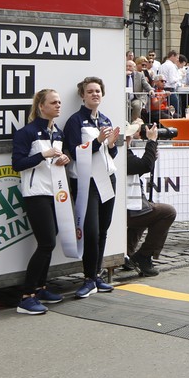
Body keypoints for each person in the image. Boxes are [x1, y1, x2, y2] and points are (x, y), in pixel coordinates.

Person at [11, 89, 72, 315]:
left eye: (59, 102)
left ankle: (40, 288)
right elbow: (17, 164)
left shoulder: (58, 132)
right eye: (53, 102)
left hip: (55, 193)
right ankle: (26, 297)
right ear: (41, 106)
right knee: (46, 243)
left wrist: (64, 158)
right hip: (36, 193)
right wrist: (42, 155)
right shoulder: (26, 132)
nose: (58, 105)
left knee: (50, 241)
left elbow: (58, 159)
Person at [63, 76, 122, 299]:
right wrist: (97, 142)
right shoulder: (75, 121)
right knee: (91, 231)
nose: (95, 94)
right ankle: (88, 278)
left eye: (98, 91)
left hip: (107, 178)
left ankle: (96, 276)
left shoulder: (105, 119)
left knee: (103, 229)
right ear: (83, 95)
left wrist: (112, 144)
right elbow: (74, 151)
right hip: (86, 181)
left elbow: (110, 153)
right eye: (90, 91)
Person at [123, 122, 176, 276]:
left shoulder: (119, 152)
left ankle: (126, 254)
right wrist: (151, 141)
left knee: (144, 212)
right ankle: (144, 256)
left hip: (128, 206)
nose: (132, 137)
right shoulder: (121, 153)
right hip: (127, 209)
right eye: (129, 135)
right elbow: (144, 165)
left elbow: (135, 169)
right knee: (168, 212)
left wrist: (151, 154)